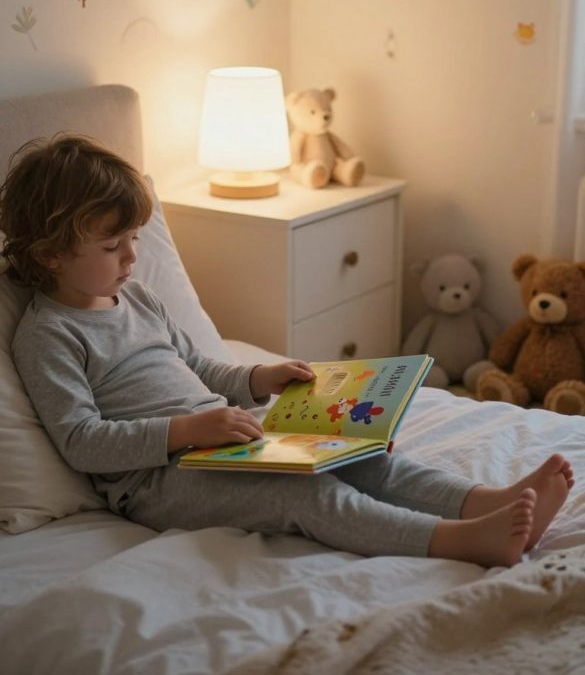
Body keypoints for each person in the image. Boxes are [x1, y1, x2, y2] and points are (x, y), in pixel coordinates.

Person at [1, 135, 574, 568]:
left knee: (361, 454)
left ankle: (486, 499)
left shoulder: (137, 297)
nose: (131, 258)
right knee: (306, 494)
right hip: (155, 481)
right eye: (112, 245)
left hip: (226, 440)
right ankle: (461, 542)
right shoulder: (48, 334)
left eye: (133, 241)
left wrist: (260, 377)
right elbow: (80, 441)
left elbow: (198, 366)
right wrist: (186, 431)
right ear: (51, 254)